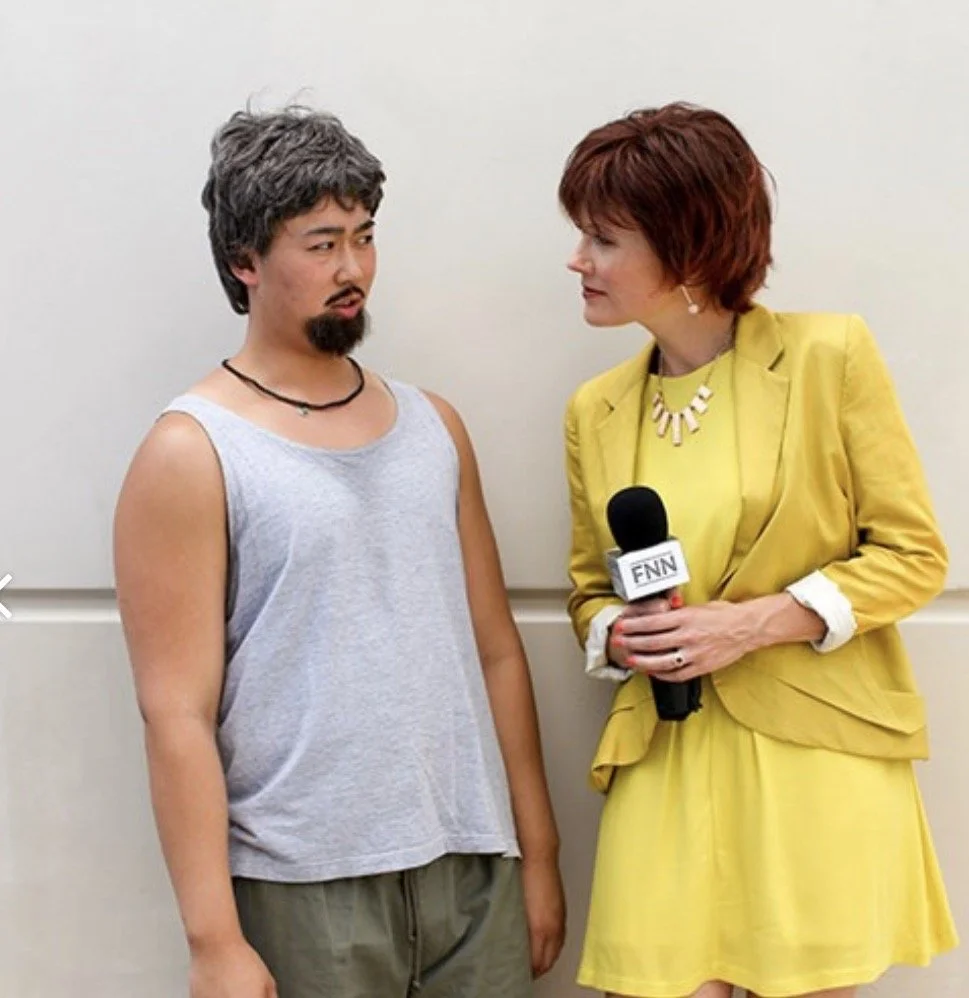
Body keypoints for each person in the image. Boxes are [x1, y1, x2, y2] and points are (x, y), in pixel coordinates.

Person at [113, 105, 564, 998]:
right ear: (244, 261)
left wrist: (538, 854)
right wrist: (213, 942)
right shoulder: (191, 451)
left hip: (471, 872)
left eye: (363, 237)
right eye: (320, 244)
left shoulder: (435, 427)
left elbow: (497, 652)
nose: (352, 268)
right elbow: (175, 714)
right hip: (298, 888)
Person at [559, 102, 957, 998]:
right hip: (664, 754)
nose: (576, 261)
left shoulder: (829, 357)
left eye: (603, 239)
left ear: (687, 244)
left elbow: (910, 553)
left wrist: (750, 625)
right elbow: (589, 590)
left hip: (811, 755)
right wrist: (617, 636)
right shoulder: (596, 409)